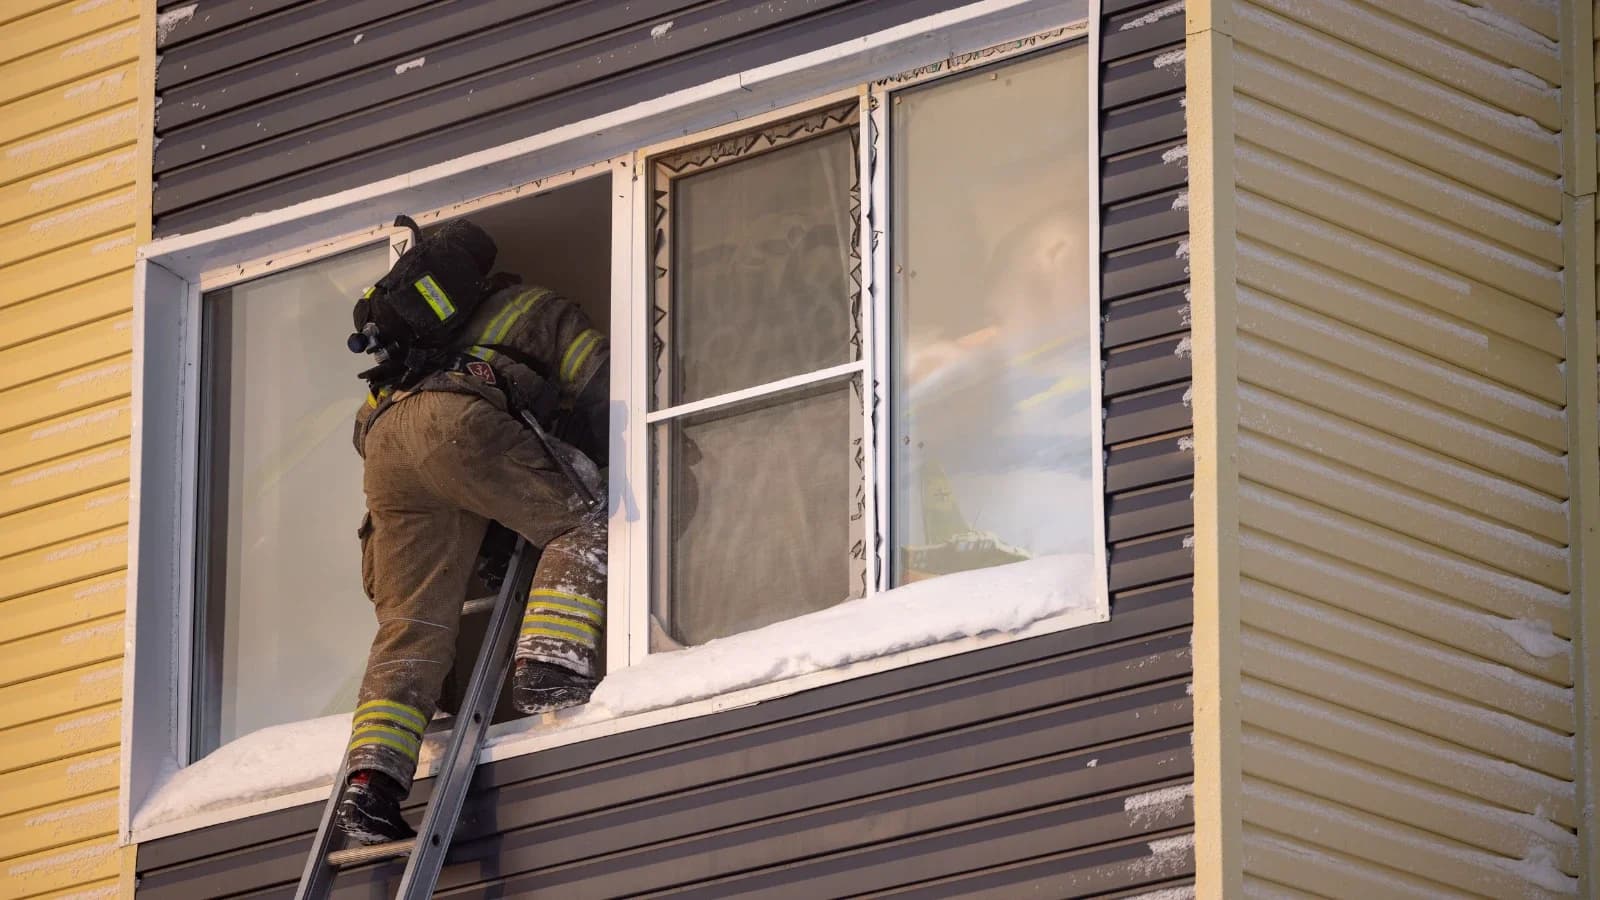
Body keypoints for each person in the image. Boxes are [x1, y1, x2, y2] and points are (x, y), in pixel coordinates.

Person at [333, 216, 609, 843]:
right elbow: (604, 382)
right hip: (460, 422)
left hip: (384, 444)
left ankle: (371, 786)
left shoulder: (405, 347)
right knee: (585, 523)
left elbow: (362, 432)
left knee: (412, 625)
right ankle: (549, 664)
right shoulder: (536, 306)